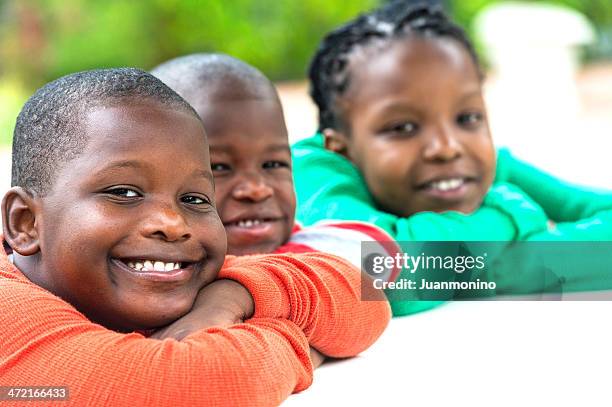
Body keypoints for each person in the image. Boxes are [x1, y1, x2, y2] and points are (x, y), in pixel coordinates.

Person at [0, 68, 390, 406]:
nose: (173, 223)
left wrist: (233, 297)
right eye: (124, 192)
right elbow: (200, 387)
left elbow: (363, 294)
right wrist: (295, 337)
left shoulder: (168, 273)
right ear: (25, 223)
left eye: (194, 198)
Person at [292, 1, 612, 314]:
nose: (447, 147)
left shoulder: (479, 165)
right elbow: (382, 275)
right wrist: (503, 219)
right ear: (342, 148)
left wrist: (471, 267)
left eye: (468, 118)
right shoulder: (310, 173)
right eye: (403, 127)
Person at [152, 53, 399, 364]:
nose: (257, 189)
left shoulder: (323, 248)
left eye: (273, 164)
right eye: (219, 167)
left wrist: (234, 295)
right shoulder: (148, 267)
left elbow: (372, 287)